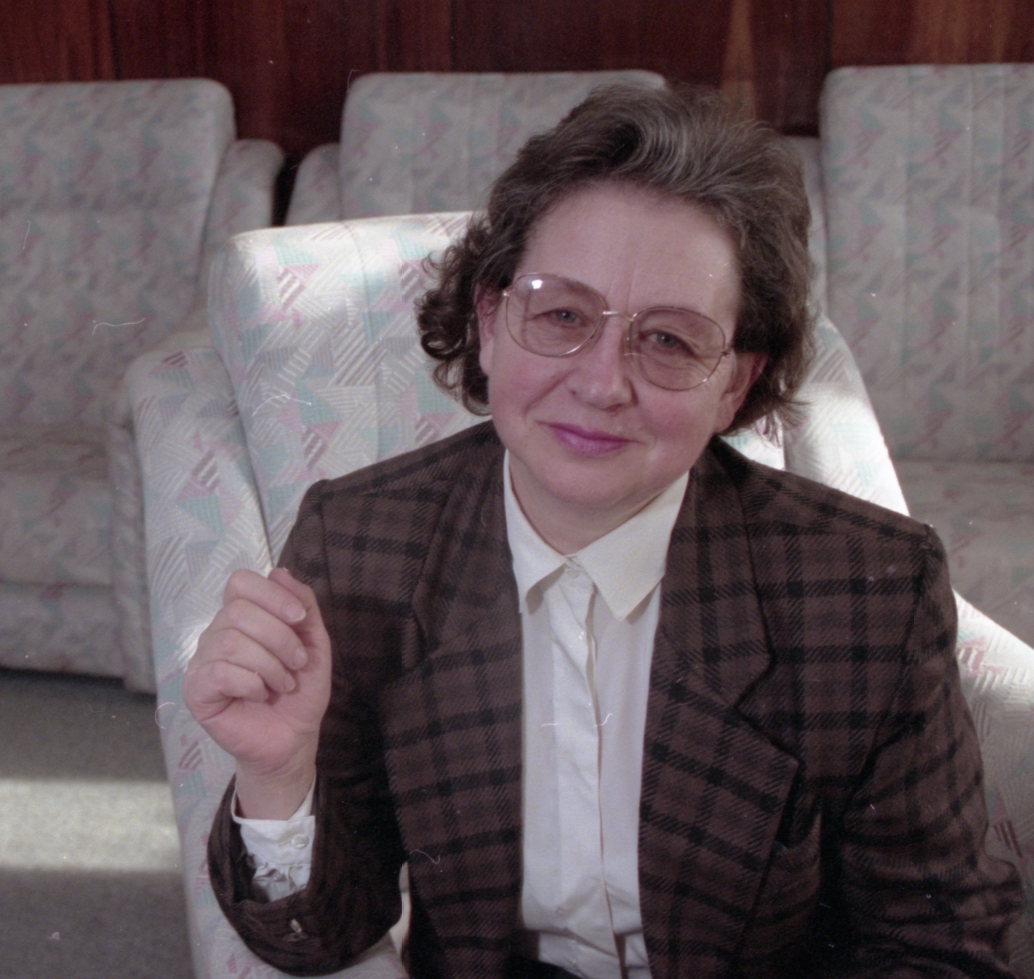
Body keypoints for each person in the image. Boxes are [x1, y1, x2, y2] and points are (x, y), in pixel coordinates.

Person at [182, 84, 1024, 979]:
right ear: (491, 324)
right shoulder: (359, 545)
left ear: (734, 384)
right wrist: (279, 777)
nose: (601, 384)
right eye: (562, 315)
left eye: (669, 340)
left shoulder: (867, 593)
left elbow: (940, 947)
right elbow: (321, 931)